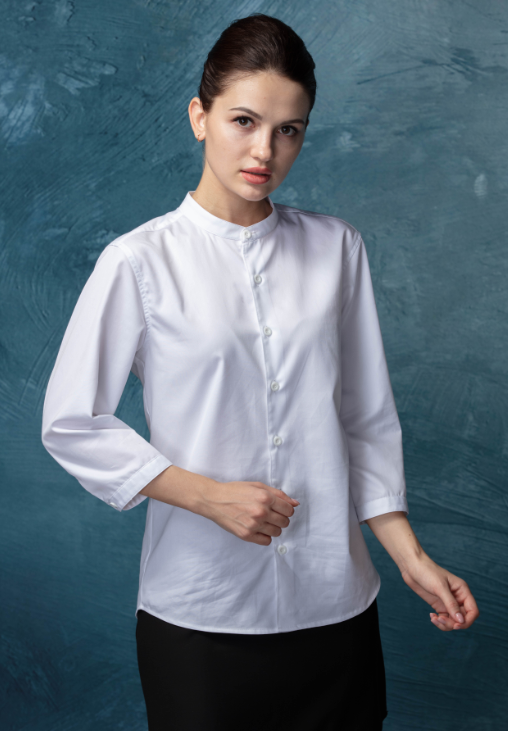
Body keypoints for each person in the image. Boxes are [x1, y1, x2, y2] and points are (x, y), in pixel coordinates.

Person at [41, 12, 480, 731]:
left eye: (289, 130)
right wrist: (208, 496)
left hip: (336, 607)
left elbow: (364, 419)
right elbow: (70, 422)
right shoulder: (138, 261)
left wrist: (410, 557)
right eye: (244, 121)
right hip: (200, 614)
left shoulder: (337, 249)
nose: (264, 150)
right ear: (199, 117)